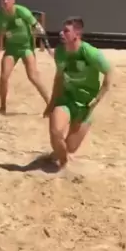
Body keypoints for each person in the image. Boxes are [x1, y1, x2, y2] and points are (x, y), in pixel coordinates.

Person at [45, 17, 113, 168]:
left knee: (70, 147)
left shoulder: (90, 52)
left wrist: (96, 100)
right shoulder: (60, 52)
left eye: (66, 31)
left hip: (85, 106)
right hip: (66, 99)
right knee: (56, 132)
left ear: (77, 33)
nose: (61, 33)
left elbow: (109, 73)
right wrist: (51, 103)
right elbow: (59, 78)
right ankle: (63, 164)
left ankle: (58, 155)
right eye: (62, 30)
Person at [0, 0, 52, 113]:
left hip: (26, 48)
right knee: (4, 77)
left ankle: (50, 103)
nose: (5, 1)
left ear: (13, 1)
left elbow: (38, 27)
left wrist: (48, 47)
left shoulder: (21, 11)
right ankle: (3, 106)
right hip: (11, 49)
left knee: (33, 76)